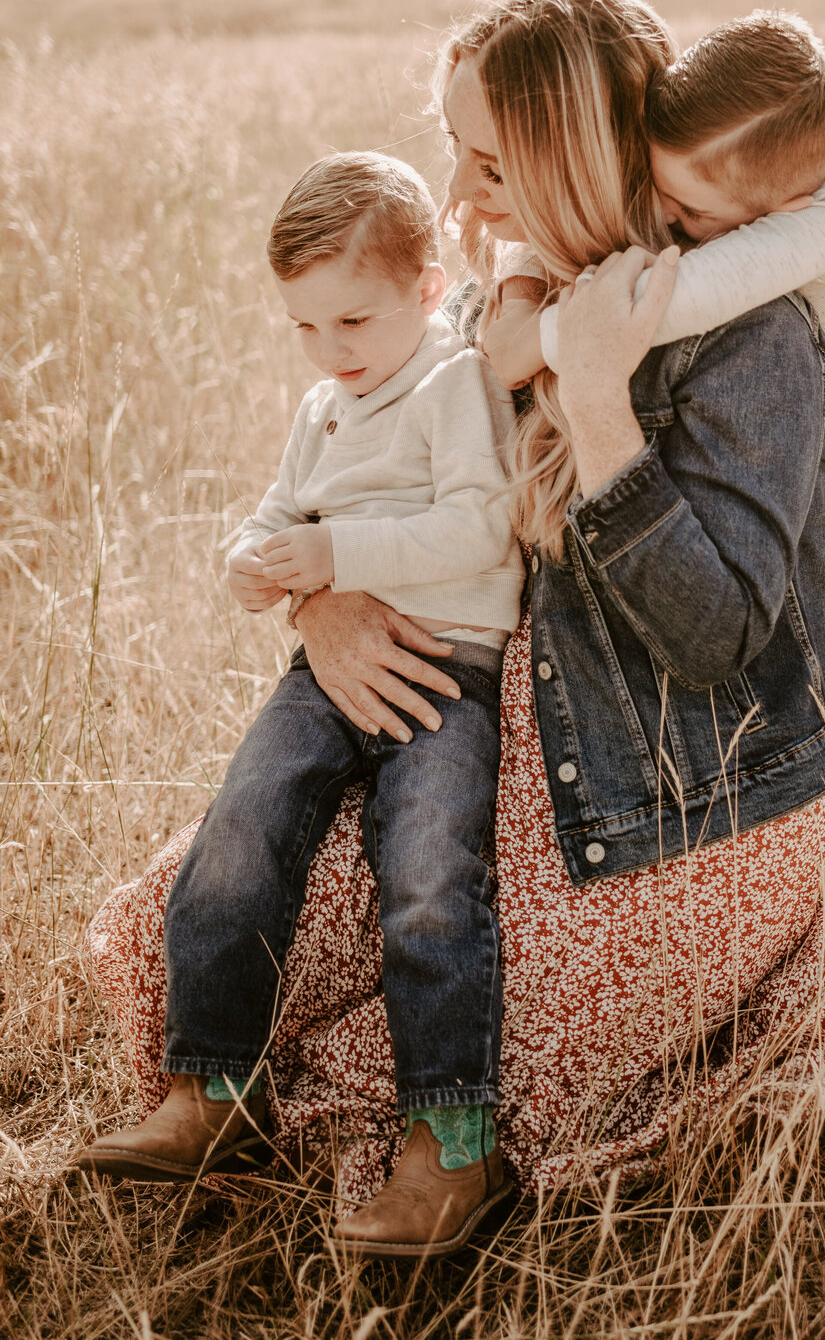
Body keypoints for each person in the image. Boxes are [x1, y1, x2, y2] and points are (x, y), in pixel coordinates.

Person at [85, 0, 825, 1262]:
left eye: (490, 168)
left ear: (571, 160)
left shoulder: (751, 344)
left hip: (688, 799)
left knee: (425, 1049)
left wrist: (598, 396)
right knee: (165, 937)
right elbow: (360, 482)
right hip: (501, 737)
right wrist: (329, 608)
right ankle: (224, 1102)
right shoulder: (492, 301)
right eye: (453, 158)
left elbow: (717, 641)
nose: (458, 204)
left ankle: (553, 1112)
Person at [481, 9, 825, 1027]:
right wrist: (520, 242)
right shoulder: (753, 179)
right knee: (811, 702)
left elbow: (660, 307)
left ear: (785, 202)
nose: (668, 222)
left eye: (689, 210)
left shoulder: (821, 224)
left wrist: (516, 341)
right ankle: (788, 956)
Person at [77, 152, 526, 1257]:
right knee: (241, 834)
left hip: (445, 667)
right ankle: (215, 1090)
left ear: (427, 288)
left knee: (428, 873)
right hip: (322, 678)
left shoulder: (452, 382)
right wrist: (254, 561)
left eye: (355, 322)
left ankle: (453, 1144)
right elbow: (277, 512)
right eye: (306, 330)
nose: (332, 353)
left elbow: (484, 526)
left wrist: (337, 552)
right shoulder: (325, 407)